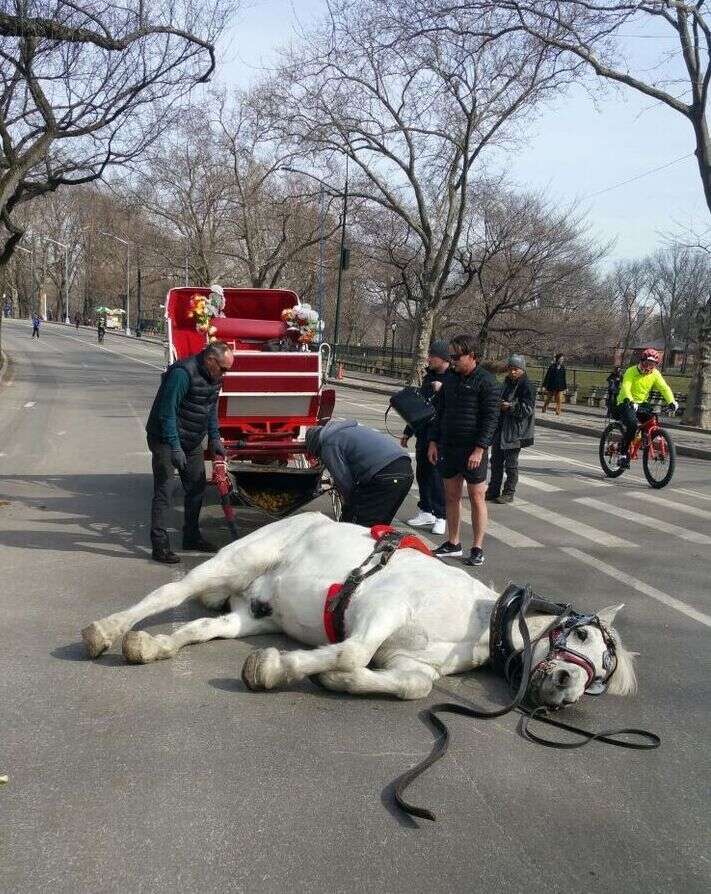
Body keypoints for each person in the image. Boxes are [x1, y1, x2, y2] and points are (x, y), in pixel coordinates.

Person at [145, 340, 234, 563]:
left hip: (192, 439)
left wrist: (214, 438)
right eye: (223, 368)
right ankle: (159, 545)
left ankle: (191, 536)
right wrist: (175, 447)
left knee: (196, 487)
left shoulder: (215, 377)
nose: (225, 374)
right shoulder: (182, 374)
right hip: (165, 438)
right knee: (165, 490)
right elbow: (167, 413)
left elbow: (210, 408)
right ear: (211, 360)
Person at [427, 334, 500, 567]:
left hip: (473, 449)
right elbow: (439, 412)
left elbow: (491, 419)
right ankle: (453, 542)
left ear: (472, 356)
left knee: (477, 497)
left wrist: (480, 449)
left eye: (457, 356)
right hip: (449, 446)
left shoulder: (487, 382)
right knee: (451, 495)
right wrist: (433, 441)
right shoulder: (449, 379)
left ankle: (477, 547)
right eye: (451, 356)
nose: (453, 360)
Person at [305, 419, 413, 527]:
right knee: (379, 526)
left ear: (314, 445)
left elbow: (344, 481)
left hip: (384, 474)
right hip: (405, 470)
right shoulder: (348, 430)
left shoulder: (328, 444)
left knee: (356, 527)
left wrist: (350, 505)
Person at [401, 339, 449, 536]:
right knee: (423, 474)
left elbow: (455, 407)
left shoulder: (452, 379)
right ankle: (426, 509)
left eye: (432, 356)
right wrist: (408, 431)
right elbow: (420, 407)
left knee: (437, 477)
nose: (428, 358)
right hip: (424, 432)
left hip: (440, 436)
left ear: (443, 358)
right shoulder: (429, 377)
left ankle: (441, 516)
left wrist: (443, 389)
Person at [613, 348, 678, 468]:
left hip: (642, 403)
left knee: (652, 421)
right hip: (626, 401)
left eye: (652, 364)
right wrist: (630, 400)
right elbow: (626, 386)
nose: (649, 366)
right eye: (647, 362)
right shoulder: (631, 371)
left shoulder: (655, 374)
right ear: (642, 361)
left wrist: (671, 401)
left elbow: (664, 388)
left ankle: (643, 440)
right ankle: (623, 454)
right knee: (632, 424)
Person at [486, 354, 535, 504]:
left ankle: (509, 492)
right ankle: (493, 490)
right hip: (501, 427)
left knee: (511, 464)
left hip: (515, 431)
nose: (513, 372)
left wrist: (510, 406)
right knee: (495, 462)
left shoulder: (527, 385)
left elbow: (527, 409)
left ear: (522, 370)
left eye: (516, 369)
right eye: (510, 369)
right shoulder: (506, 383)